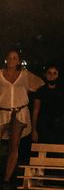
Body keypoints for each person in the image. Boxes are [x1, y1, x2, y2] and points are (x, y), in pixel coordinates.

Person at [0, 49, 44, 188]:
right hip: (3, 112)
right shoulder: (0, 74)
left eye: (15, 58)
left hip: (19, 112)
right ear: (6, 59)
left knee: (14, 146)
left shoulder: (24, 75)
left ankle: (6, 179)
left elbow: (40, 83)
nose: (12, 60)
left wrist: (25, 92)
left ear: (18, 61)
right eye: (10, 58)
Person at [31, 63, 64, 144]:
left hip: (59, 124)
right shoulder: (41, 91)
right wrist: (33, 129)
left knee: (59, 150)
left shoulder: (63, 88)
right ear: (45, 75)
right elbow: (35, 111)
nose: (52, 75)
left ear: (58, 75)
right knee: (43, 151)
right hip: (44, 124)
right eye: (49, 73)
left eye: (55, 73)